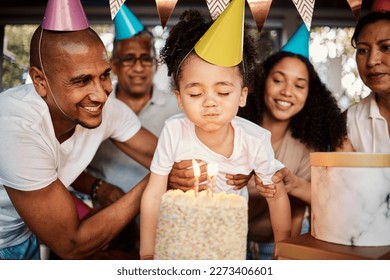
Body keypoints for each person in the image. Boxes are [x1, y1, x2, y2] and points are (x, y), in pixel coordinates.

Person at [0, 5, 158, 259]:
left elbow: (161, 154)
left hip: (23, 236)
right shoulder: (14, 127)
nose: (100, 94)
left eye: (104, 75)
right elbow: (72, 244)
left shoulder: (108, 110)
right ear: (40, 81)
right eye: (82, 80)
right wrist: (154, 183)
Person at [140, 7, 291, 260]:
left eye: (223, 92)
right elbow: (154, 193)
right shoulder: (174, 131)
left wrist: (283, 250)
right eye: (196, 94)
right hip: (178, 245)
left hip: (229, 249)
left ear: (242, 95)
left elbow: (275, 195)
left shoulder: (254, 140)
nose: (210, 102)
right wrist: (146, 254)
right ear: (179, 98)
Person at [71, 5, 182, 257]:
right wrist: (98, 188)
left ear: (154, 64)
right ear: (114, 66)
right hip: (104, 222)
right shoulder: (92, 105)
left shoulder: (179, 107)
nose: (139, 67)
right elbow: (64, 163)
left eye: (146, 59)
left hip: (164, 224)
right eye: (129, 59)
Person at [238, 25, 347, 259]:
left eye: (299, 85)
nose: (287, 92)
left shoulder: (309, 146)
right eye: (278, 80)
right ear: (262, 82)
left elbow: (299, 207)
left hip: (278, 239)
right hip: (230, 236)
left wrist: (285, 252)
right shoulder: (235, 131)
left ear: (310, 95)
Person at [342, 10, 390, 152]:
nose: (372, 61)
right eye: (363, 50)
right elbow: (341, 174)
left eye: (386, 47)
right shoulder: (348, 122)